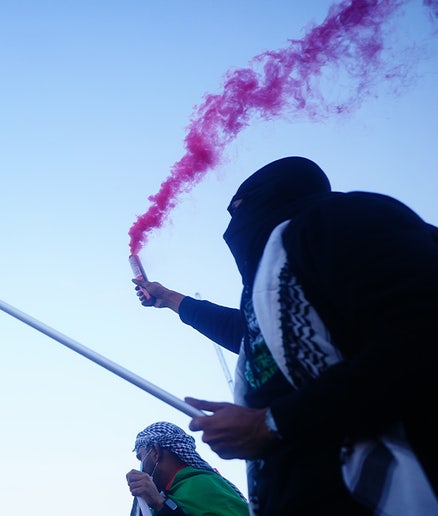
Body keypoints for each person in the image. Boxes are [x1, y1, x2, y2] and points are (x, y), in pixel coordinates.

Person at [132, 156, 438, 515]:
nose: (233, 228)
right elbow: (251, 336)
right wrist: (168, 298)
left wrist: (272, 422)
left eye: (238, 211)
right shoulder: (275, 293)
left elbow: (421, 335)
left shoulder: (341, 219)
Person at [126, 421, 248, 516]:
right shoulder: (168, 496)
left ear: (155, 453)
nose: (141, 467)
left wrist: (160, 505)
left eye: (141, 458)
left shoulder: (201, 486)